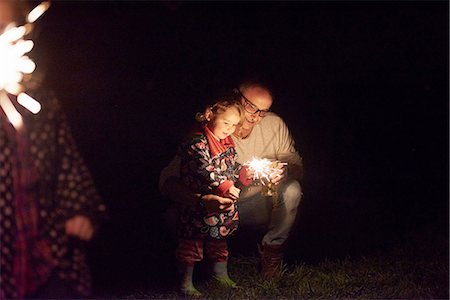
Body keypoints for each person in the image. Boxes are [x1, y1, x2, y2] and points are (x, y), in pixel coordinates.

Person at [0, 2, 107, 299]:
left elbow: (67, 165)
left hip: (47, 259)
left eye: (6, 28)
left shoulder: (38, 100)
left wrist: (80, 210)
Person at [160, 79, 303, 279]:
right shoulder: (210, 131)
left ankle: (271, 253)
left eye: (263, 111)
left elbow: (296, 165)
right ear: (236, 96)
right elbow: (168, 181)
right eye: (251, 107)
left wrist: (285, 172)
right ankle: (196, 265)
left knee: (292, 190)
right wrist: (201, 201)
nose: (256, 117)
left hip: (255, 205)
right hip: (215, 207)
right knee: (173, 218)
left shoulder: (274, 124)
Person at [175, 97, 252, 296]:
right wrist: (225, 185)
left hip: (221, 206)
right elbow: (203, 167)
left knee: (220, 240)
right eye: (226, 123)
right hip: (198, 205)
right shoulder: (195, 141)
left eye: (234, 125)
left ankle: (220, 275)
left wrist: (242, 173)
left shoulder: (226, 142)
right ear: (210, 114)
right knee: (192, 242)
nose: (230, 129)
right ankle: (186, 282)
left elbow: (230, 165)